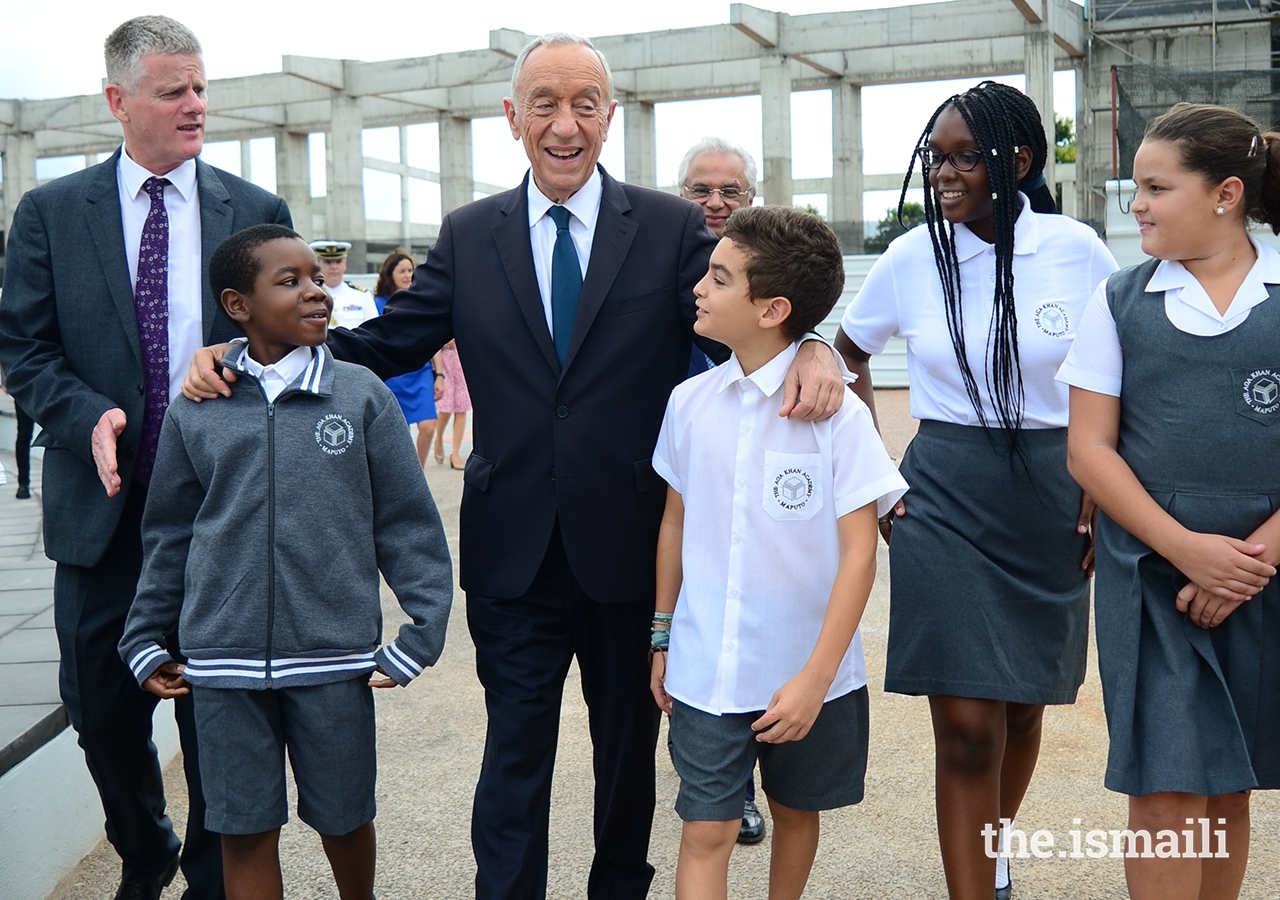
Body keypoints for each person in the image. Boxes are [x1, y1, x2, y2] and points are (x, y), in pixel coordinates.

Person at [182, 32, 845, 900]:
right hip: (512, 551)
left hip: (632, 546)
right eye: (544, 104)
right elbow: (389, 341)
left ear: (609, 119)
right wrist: (247, 352)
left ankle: (618, 887)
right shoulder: (468, 233)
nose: (564, 125)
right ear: (512, 117)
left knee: (626, 757)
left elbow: (756, 304)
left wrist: (818, 342)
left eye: (583, 106)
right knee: (514, 752)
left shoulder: (673, 227)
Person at [0, 16, 292, 900]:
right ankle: (144, 844)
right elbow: (25, 348)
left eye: (201, 87)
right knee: (98, 712)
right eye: (174, 91)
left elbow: (290, 340)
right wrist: (86, 412)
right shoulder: (51, 214)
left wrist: (246, 358)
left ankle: (210, 874)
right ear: (118, 101)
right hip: (104, 509)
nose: (195, 105)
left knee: (219, 720)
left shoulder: (256, 213)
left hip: (222, 515)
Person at [834, 81, 1117, 900]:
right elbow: (844, 354)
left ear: (1018, 161)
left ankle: (990, 851)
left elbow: (1115, 371)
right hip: (945, 500)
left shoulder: (1076, 249)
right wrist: (878, 478)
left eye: (966, 157)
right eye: (937, 157)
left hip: (1055, 497)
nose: (945, 174)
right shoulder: (910, 255)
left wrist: (1102, 478)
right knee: (963, 729)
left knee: (1022, 708)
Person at [119, 224, 452, 900]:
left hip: (333, 660)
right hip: (223, 664)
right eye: (290, 281)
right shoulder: (198, 409)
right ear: (238, 305)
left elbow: (407, 526)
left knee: (345, 818)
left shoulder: (360, 396)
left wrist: (422, 633)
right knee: (242, 830)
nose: (316, 292)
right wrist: (145, 637)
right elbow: (170, 533)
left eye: (315, 277)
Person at [649, 206, 907, 899]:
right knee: (706, 830)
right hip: (706, 669)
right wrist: (662, 634)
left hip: (812, 674)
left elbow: (860, 555)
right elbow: (674, 521)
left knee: (796, 816)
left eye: (720, 277)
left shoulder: (839, 417)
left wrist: (815, 681)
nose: (700, 288)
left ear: (772, 309)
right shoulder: (689, 403)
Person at [1060, 102, 1280, 900]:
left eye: (1156, 187)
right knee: (1166, 785)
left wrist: (1248, 564)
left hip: (1265, 577)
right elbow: (1088, 449)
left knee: (1230, 783)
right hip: (1151, 576)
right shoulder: (1119, 302)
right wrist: (1187, 550)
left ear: (1225, 194)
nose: (1138, 206)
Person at [678, 137, 759, 391]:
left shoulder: (776, 268)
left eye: (730, 191)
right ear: (681, 195)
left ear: (751, 199)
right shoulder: (648, 262)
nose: (715, 203)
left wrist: (812, 347)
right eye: (701, 191)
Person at [373, 248, 438, 467]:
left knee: (428, 426)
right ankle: (403, 475)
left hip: (420, 372)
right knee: (399, 430)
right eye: (402, 270)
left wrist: (440, 374)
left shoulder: (420, 301)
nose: (408, 275)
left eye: (411, 270)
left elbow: (434, 339)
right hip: (391, 373)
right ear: (390, 274)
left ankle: (417, 472)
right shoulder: (376, 303)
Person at [313, 240, 380, 330]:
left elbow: (374, 330)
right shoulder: (312, 296)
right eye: (328, 262)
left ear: (345, 264)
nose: (334, 267)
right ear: (318, 265)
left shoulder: (362, 296)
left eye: (338, 262)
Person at [431, 340, 470, 469]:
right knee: (446, 408)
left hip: (462, 362)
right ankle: (439, 438)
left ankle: (455, 454)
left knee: (461, 408)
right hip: (444, 363)